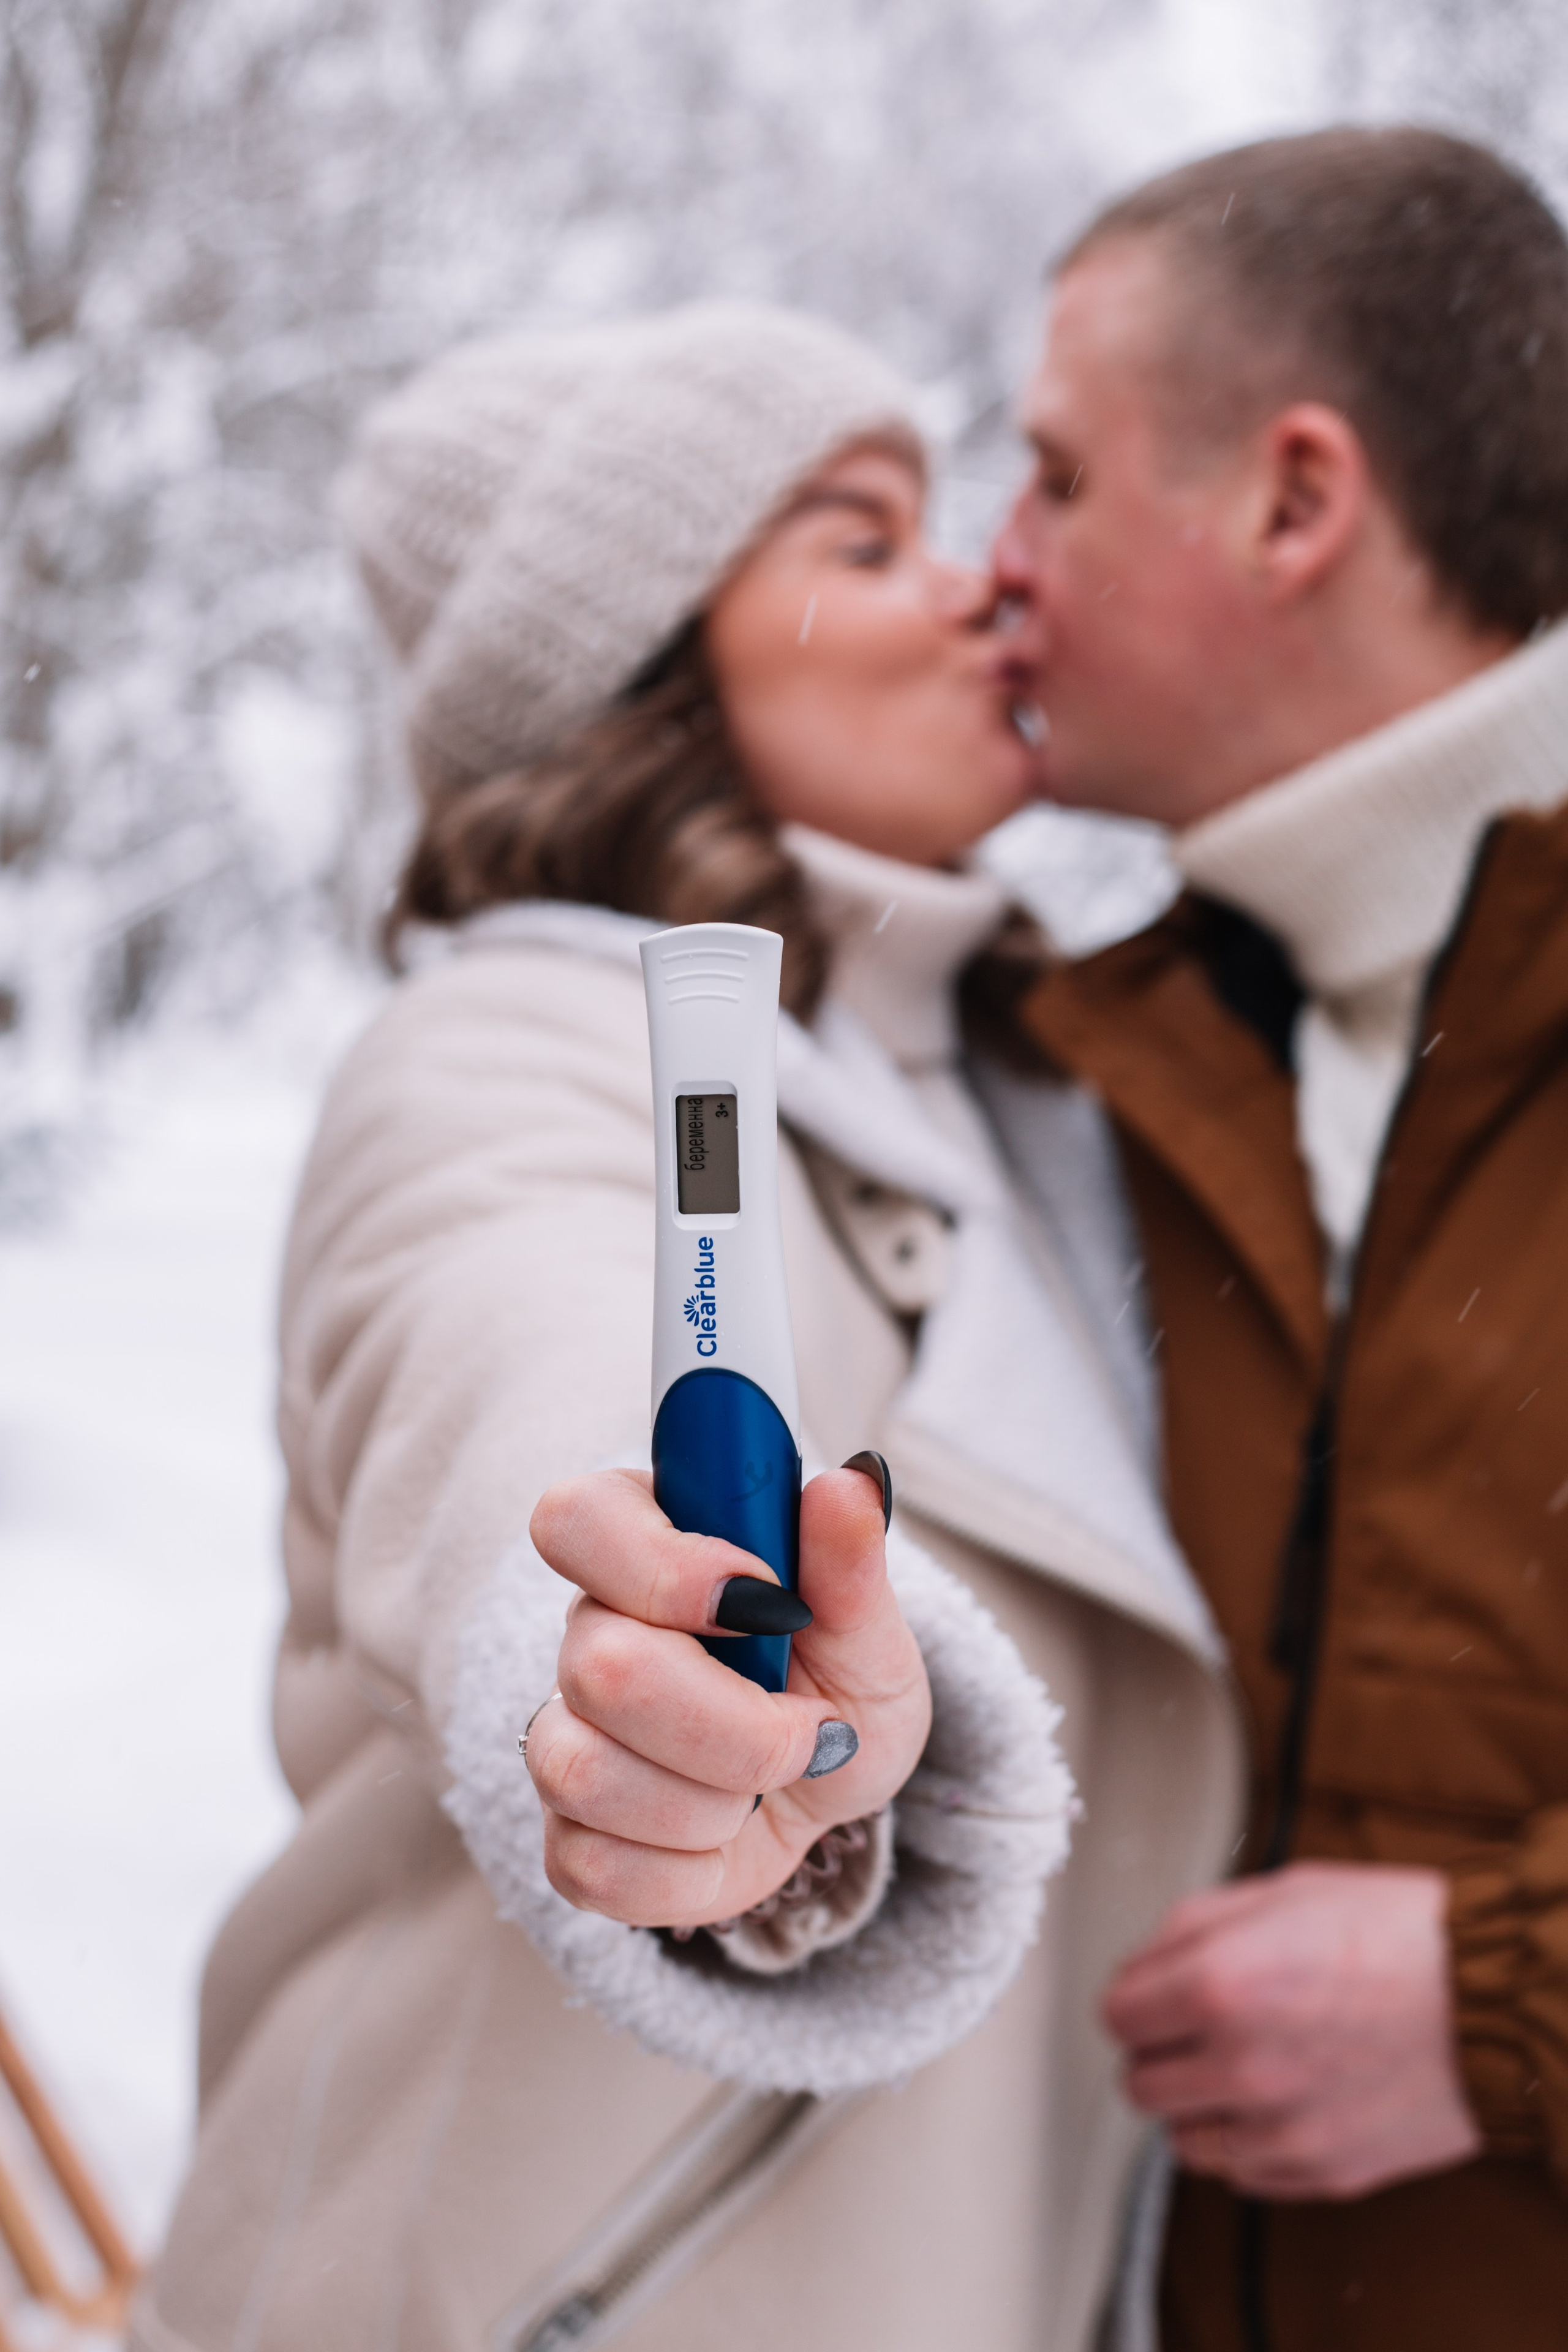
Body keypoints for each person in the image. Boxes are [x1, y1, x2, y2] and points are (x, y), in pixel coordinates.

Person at [130, 303, 1240, 2352]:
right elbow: (511, 1375)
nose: (987, 573)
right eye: (864, 536)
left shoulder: (1041, 1112)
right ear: (650, 676)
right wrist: (628, 1680)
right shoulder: (508, 1052)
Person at [986, 127, 1568, 2351]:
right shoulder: (1091, 1074)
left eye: (1055, 478)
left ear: (1295, 502)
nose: (995, 569)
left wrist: (1499, 2000)